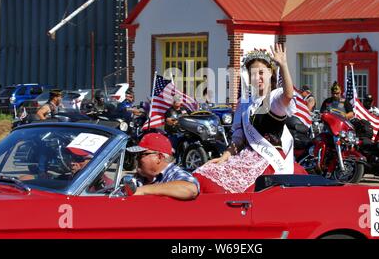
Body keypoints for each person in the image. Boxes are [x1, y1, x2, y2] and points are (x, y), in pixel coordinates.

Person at [193, 45, 307, 194]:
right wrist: (225, 156)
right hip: (246, 156)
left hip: (268, 160)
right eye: (253, 74)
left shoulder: (274, 98)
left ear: (270, 73)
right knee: (205, 172)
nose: (257, 77)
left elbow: (288, 95)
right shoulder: (245, 102)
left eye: (261, 73)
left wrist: (283, 65)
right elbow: (239, 137)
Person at [127, 133, 199, 200]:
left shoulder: (174, 173)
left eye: (141, 155)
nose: (136, 158)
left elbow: (190, 189)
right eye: (136, 155)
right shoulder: (141, 176)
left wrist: (143, 190)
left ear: (159, 157)